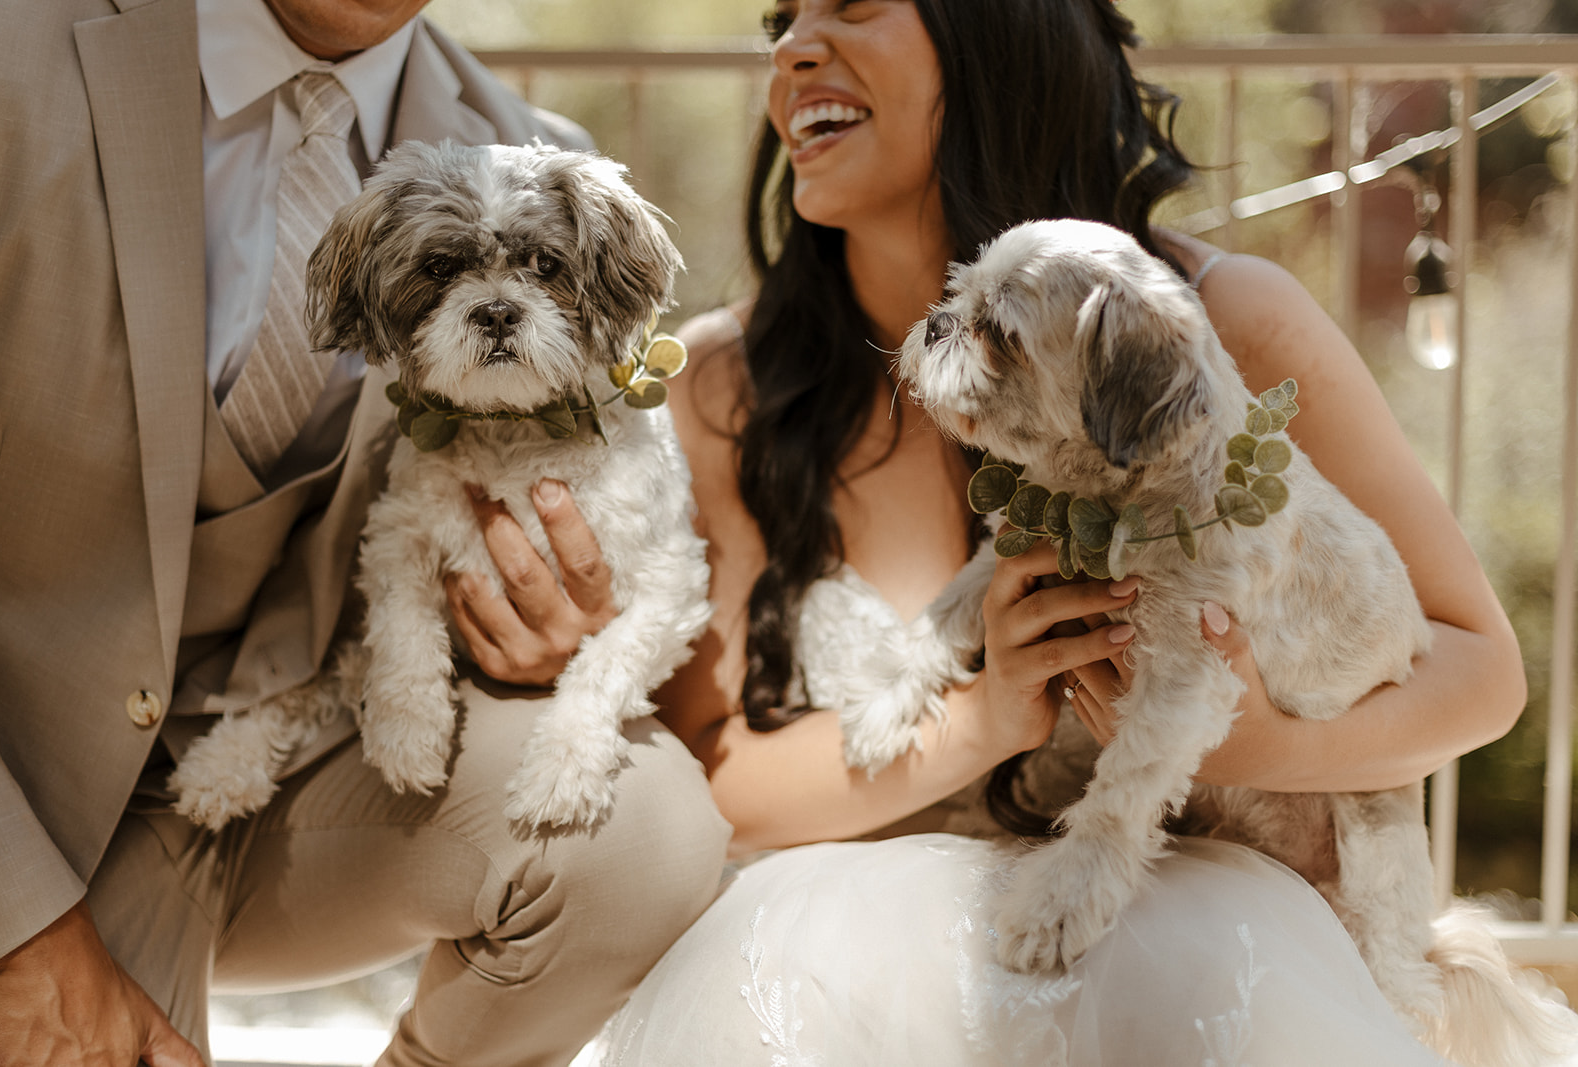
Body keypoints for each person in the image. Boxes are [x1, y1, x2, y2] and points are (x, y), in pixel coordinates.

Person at [583, 0, 1561, 1061]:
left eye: (852, 4)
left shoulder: (1210, 327)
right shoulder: (723, 384)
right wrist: (980, 718)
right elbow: (711, 773)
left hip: (1205, 929)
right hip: (845, 966)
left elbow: (1479, 670)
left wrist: (1268, 748)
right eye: (781, 17)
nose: (792, 46)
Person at [0, 2, 729, 1066]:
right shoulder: (0, 49)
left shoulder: (542, 153)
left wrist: (534, 638)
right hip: (8, 783)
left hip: (288, 775)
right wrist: (7, 919)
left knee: (643, 831)